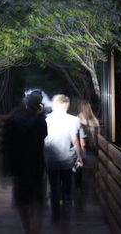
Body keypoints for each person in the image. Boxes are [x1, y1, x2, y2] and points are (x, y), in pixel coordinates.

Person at [2, 91, 47, 234]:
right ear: (38, 105)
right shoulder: (40, 121)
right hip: (36, 164)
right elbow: (44, 135)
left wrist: (6, 169)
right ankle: (35, 230)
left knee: (22, 201)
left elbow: (6, 145)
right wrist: (40, 113)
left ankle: (27, 229)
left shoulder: (12, 121)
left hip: (18, 165)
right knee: (36, 200)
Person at [44, 94, 83, 223]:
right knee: (67, 185)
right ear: (66, 105)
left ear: (55, 104)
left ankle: (55, 214)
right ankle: (66, 212)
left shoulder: (46, 119)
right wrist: (79, 157)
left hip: (50, 159)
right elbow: (75, 140)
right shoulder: (73, 120)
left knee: (54, 187)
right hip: (67, 158)